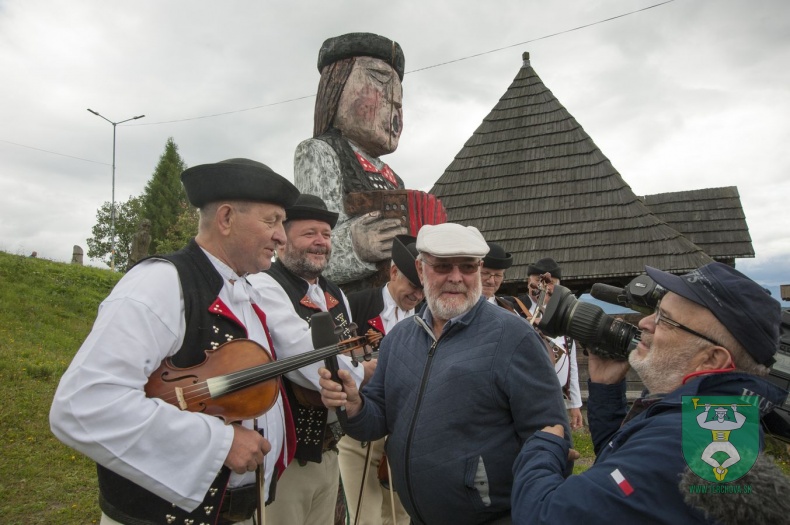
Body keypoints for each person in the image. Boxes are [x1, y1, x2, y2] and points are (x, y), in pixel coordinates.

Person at [49, 158, 300, 525]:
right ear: (226, 218)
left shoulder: (246, 293)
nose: (282, 235)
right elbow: (83, 404)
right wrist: (220, 443)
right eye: (271, 221)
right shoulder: (161, 284)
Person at [319, 222, 571, 525]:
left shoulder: (513, 338)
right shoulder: (399, 339)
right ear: (421, 269)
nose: (456, 277)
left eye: (467, 267)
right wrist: (355, 404)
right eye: (443, 267)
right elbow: (376, 421)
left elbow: (551, 435)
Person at [511, 262, 788, 524]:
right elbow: (626, 464)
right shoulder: (717, 416)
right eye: (655, 311)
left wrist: (542, 448)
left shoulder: (682, 444)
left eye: (665, 320)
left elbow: (544, 516)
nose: (644, 324)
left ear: (712, 360)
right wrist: (607, 390)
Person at [247, 193, 376, 525]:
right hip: (287, 458)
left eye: (327, 235)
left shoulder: (335, 292)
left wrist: (360, 365)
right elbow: (305, 357)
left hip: (329, 449)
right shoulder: (265, 285)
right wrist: (366, 374)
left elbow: (349, 350)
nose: (321, 242)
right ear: (282, 241)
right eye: (309, 234)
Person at [294, 32, 445, 290]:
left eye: (400, 95)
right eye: (379, 80)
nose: (395, 101)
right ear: (336, 86)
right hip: (349, 304)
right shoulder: (319, 151)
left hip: (393, 300)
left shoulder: (393, 177)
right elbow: (309, 250)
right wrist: (356, 245)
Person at [340, 234, 423, 525]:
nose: (418, 295)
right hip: (362, 432)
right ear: (393, 272)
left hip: (403, 435)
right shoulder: (357, 304)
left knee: (401, 517)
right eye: (413, 286)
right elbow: (339, 361)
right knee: (366, 517)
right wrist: (364, 369)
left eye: (423, 290)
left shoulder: (425, 317)